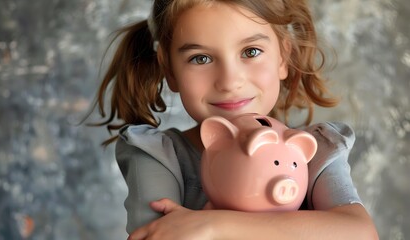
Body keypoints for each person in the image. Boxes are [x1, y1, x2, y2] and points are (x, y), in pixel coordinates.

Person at [91, 0, 379, 239]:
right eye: (200, 58)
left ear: (282, 57)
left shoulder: (314, 150)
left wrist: (212, 226)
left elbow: (359, 232)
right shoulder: (159, 157)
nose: (229, 81)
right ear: (169, 70)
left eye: (250, 52)